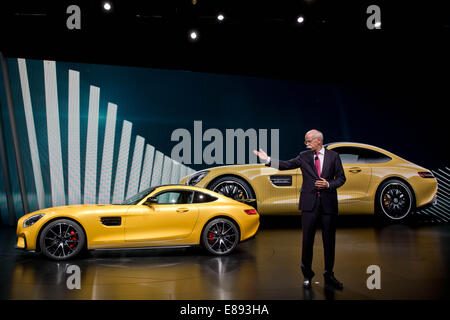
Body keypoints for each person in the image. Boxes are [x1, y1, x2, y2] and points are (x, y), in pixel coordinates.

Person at [253, 129, 346, 290]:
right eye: (306, 141)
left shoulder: (334, 157)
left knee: (329, 242)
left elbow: (341, 178)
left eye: (309, 141)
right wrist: (267, 159)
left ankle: (329, 275)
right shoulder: (304, 156)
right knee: (307, 241)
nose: (306, 144)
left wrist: (328, 184)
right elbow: (285, 165)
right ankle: (307, 275)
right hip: (309, 205)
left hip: (328, 205)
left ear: (318, 141)